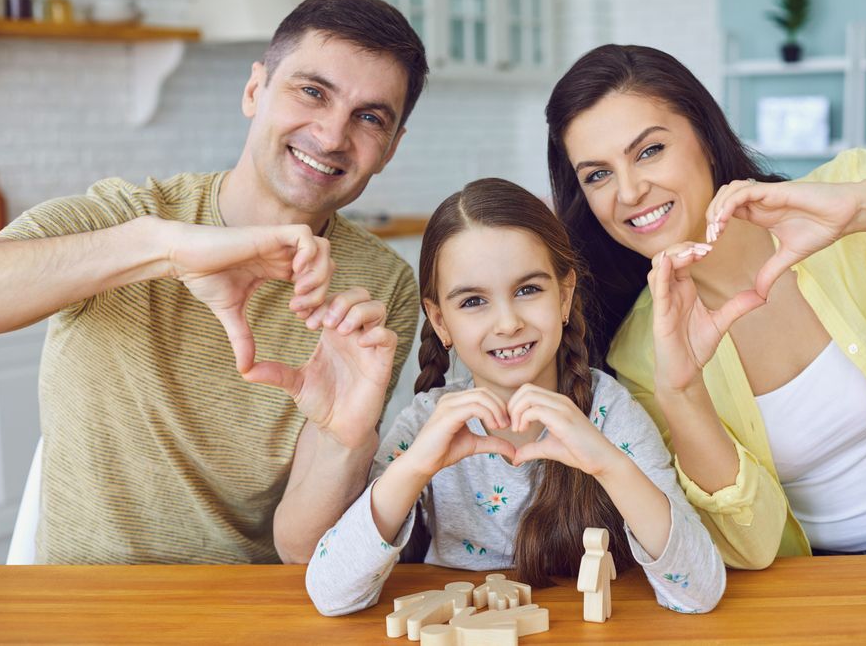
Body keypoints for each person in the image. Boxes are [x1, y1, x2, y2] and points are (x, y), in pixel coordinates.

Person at [0, 0, 428, 565]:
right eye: (312, 92)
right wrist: (163, 249)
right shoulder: (129, 215)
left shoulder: (380, 285)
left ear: (391, 149)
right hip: (85, 606)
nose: (330, 136)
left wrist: (342, 439)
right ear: (256, 90)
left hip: (241, 609)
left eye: (369, 117)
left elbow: (301, 550)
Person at [545, 44, 866, 569]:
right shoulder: (641, 354)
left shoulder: (845, 201)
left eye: (649, 151)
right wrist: (682, 391)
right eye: (597, 175)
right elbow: (749, 547)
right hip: (814, 588)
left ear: (706, 141)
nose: (630, 191)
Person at [304, 178, 726, 617]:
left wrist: (606, 462)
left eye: (528, 290)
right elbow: (332, 594)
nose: (507, 323)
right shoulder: (426, 421)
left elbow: (700, 591)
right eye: (472, 301)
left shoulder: (610, 411)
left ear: (564, 297)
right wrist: (414, 468)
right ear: (440, 321)